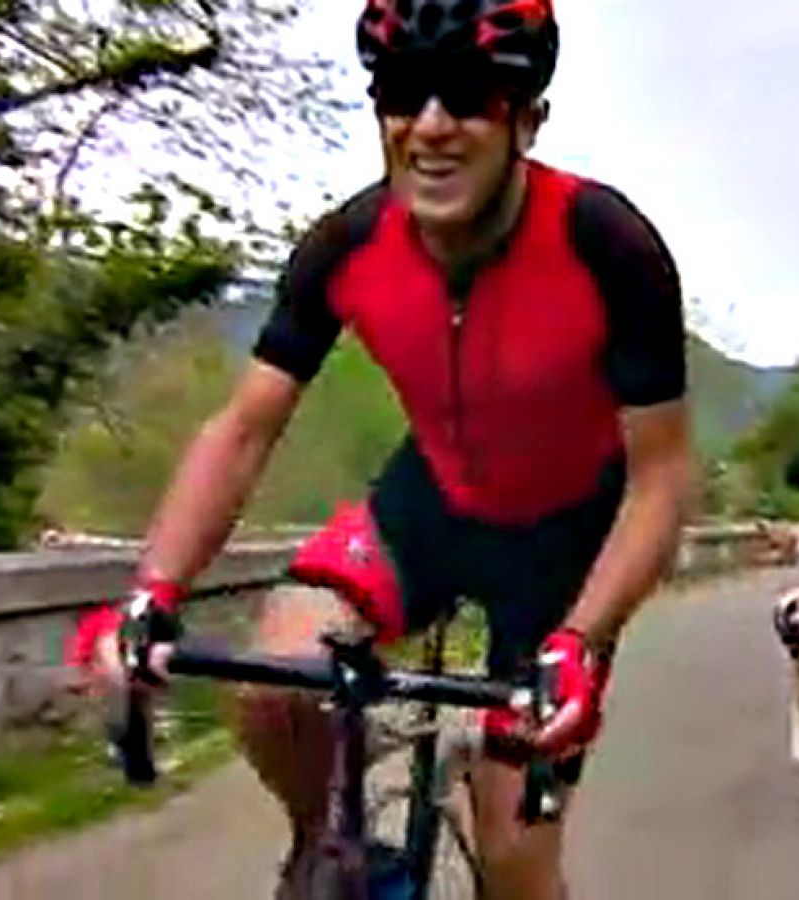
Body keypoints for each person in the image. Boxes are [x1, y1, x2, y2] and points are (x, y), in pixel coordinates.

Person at [69, 0, 692, 895]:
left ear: (528, 119)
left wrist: (579, 641)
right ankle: (329, 851)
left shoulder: (609, 246)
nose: (432, 126)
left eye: (472, 96)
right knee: (277, 686)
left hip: (568, 545)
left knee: (515, 851)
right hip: (430, 506)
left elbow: (662, 481)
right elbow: (245, 428)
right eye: (404, 92)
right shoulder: (348, 243)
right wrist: (152, 594)